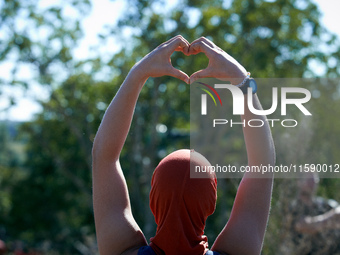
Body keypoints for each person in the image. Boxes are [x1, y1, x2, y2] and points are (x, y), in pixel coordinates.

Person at [92, 35, 275, 255]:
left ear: (153, 201)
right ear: (210, 205)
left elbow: (104, 155)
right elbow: (263, 164)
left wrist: (138, 74)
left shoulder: (122, 251)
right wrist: (241, 79)